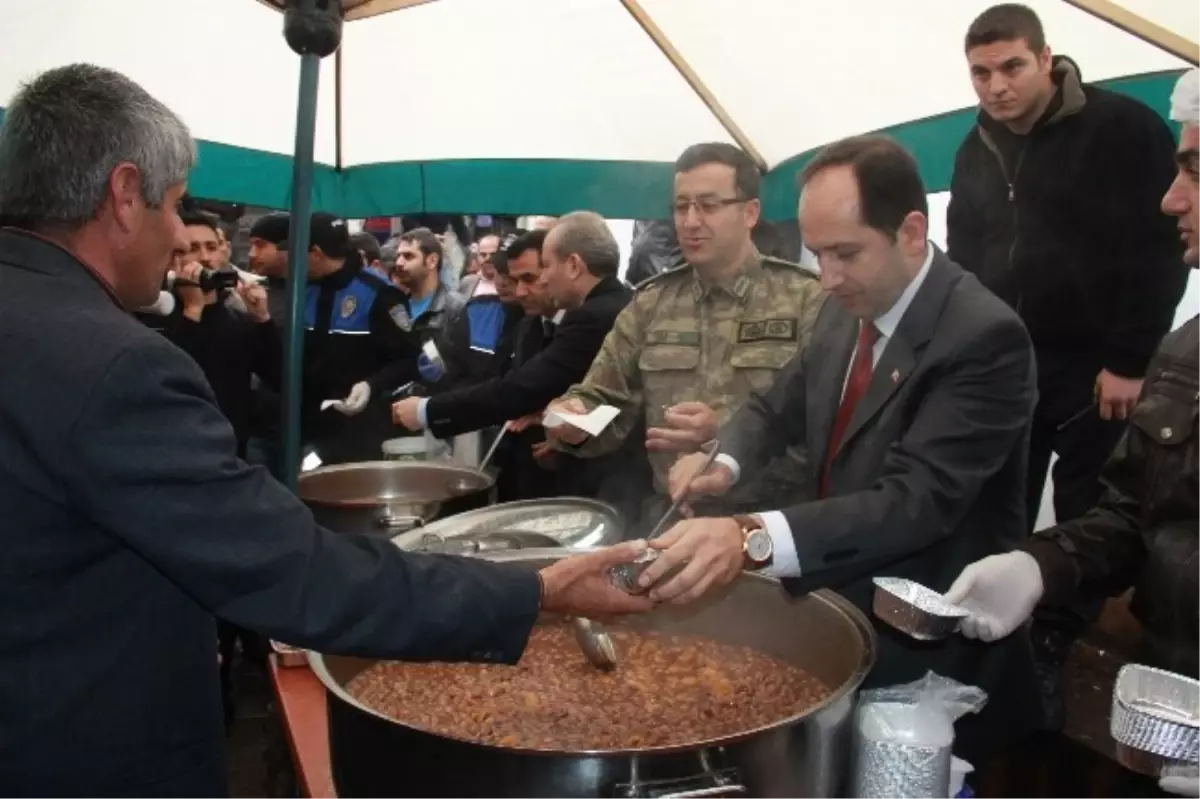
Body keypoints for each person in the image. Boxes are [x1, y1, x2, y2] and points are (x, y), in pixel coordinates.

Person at [0, 63, 652, 799]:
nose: (181, 232)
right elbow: (294, 571)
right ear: (124, 194)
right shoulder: (114, 363)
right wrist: (538, 591)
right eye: (177, 205)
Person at [654, 134, 1041, 765]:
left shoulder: (983, 337)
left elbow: (914, 501)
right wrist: (721, 462)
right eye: (817, 253)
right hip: (843, 617)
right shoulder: (847, 306)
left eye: (846, 253)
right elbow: (777, 404)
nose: (827, 278)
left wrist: (751, 534)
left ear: (912, 231)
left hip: (934, 658)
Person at [946, 68, 1200, 799]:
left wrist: (1122, 356)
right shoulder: (1186, 357)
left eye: (1194, 169)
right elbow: (1131, 513)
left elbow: (1144, 255)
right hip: (1166, 695)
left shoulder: (1118, 130)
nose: (1170, 198)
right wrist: (1039, 566)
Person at [545, 142, 827, 525]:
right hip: (672, 521)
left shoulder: (806, 299)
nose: (691, 221)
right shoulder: (651, 303)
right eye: (681, 207)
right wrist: (572, 419)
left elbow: (826, 429)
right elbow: (604, 397)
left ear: (750, 213)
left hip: (771, 526)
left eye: (708, 206)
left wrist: (725, 442)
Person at [394, 213, 653, 521]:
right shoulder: (592, 309)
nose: (543, 279)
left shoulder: (594, 315)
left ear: (573, 266)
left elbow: (523, 388)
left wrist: (428, 410)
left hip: (611, 483)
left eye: (546, 266)